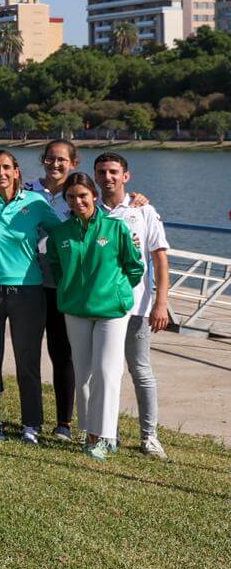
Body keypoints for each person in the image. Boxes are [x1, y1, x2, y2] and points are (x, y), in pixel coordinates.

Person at [47, 173, 143, 460]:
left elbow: (134, 267)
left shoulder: (115, 228)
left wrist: (117, 291)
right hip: (76, 310)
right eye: (71, 197)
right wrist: (70, 290)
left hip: (111, 311)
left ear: (94, 196)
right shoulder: (60, 234)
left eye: (83, 196)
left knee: (106, 372)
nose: (78, 202)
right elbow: (56, 267)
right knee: (84, 373)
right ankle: (90, 432)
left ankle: (103, 436)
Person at [0, 149, 62, 443]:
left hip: (28, 290)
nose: (0, 173)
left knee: (28, 360)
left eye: (6, 167)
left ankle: (31, 425)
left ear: (16, 171)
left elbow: (64, 232)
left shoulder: (35, 203)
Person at [94, 152, 171, 458]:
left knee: (140, 370)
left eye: (113, 172)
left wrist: (160, 303)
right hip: (102, 307)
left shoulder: (143, 211)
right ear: (95, 177)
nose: (108, 177)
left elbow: (159, 260)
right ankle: (105, 432)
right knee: (104, 371)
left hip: (137, 306)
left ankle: (149, 436)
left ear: (125, 176)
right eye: (102, 172)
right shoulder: (90, 211)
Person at [25, 139, 78, 440]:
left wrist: (137, 199)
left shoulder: (79, 193)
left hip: (62, 287)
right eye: (50, 159)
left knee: (62, 354)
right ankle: (31, 419)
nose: (55, 164)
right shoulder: (27, 190)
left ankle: (64, 423)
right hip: (31, 283)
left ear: (73, 163)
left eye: (61, 160)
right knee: (29, 354)